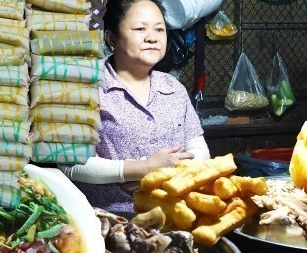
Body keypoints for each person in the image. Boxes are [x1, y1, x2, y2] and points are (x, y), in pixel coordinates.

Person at [59, 0, 211, 212]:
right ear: (112, 38)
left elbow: (200, 150)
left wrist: (166, 176)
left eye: (159, 29)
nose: (152, 37)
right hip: (109, 220)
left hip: (172, 217)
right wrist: (142, 168)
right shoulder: (87, 87)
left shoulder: (173, 88)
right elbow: (71, 165)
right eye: (140, 28)